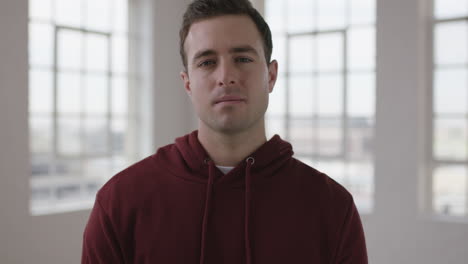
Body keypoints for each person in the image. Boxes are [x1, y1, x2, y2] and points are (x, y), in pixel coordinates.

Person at [81, 0, 368, 263]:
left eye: (242, 59)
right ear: (188, 83)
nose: (225, 76)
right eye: (207, 62)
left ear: (270, 76)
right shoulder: (120, 202)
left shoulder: (331, 207)